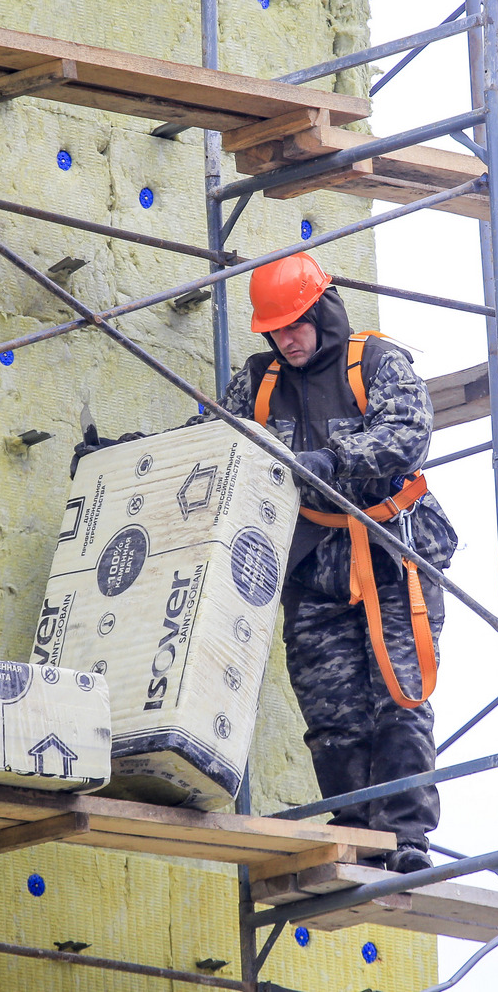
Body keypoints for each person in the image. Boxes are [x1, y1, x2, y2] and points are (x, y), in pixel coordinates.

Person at [80, 252, 456, 873]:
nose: (287, 340)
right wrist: (118, 458)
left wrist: (337, 457)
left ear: (323, 310)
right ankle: (357, 829)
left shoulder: (377, 362)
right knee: (330, 710)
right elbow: (206, 441)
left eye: (296, 325)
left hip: (391, 558)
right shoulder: (259, 382)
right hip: (312, 570)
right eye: (275, 331)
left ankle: (406, 839)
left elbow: (409, 432)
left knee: (399, 698)